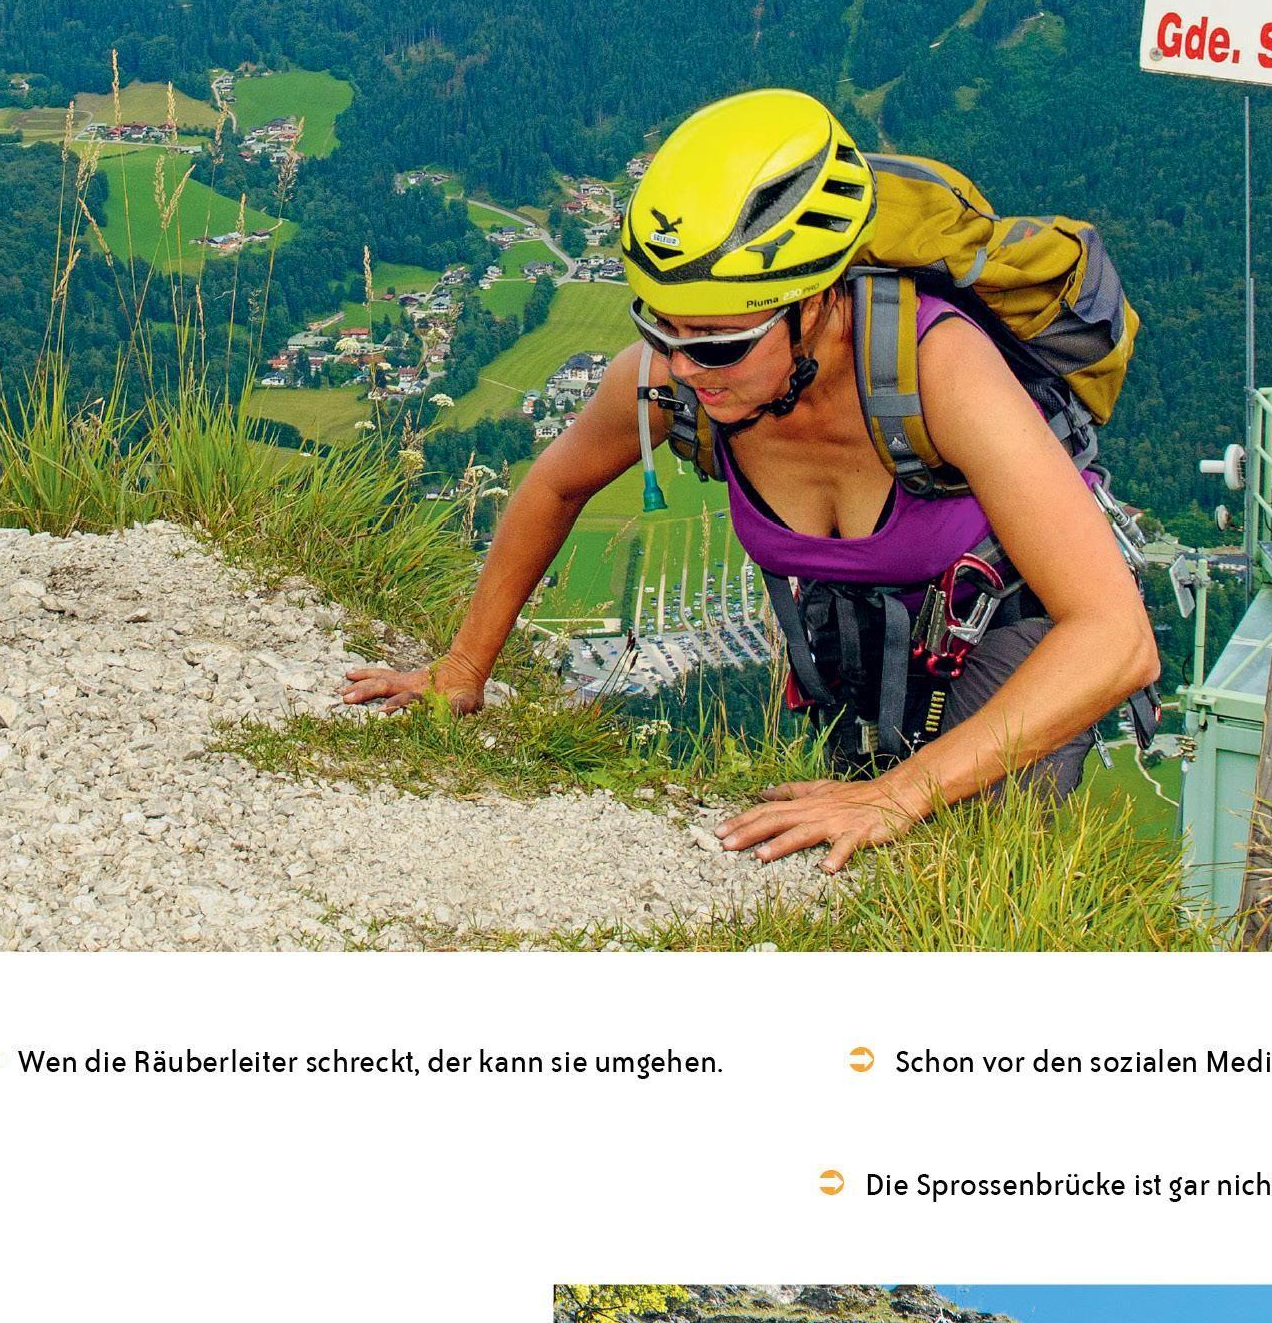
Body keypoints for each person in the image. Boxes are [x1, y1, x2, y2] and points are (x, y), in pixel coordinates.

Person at [342, 89, 1159, 871]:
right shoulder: (680, 369)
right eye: (658, 327)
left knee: (977, 858)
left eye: (719, 343)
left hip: (1014, 628)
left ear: (815, 302)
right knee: (855, 858)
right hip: (866, 647)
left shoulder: (938, 368)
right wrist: (462, 671)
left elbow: (1117, 639)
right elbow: (555, 486)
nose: (686, 368)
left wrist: (898, 795)